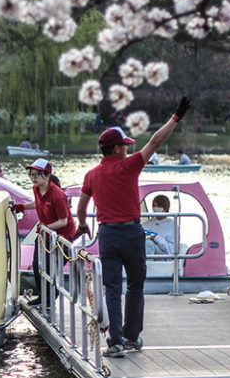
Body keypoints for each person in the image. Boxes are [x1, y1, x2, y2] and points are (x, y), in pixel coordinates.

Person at [76, 96, 192, 358]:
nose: (128, 149)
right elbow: (155, 141)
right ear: (117, 149)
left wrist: (83, 226)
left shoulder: (91, 175)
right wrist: (176, 117)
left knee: (112, 289)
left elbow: (82, 208)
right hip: (131, 233)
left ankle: (114, 343)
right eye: (125, 146)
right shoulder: (130, 166)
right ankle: (131, 337)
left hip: (107, 234)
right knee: (135, 286)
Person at [13, 158, 76, 305]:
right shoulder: (36, 189)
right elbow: (38, 203)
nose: (33, 177)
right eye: (31, 174)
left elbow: (63, 221)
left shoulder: (58, 195)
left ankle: (50, 299)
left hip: (62, 237)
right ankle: (43, 296)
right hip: (44, 233)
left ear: (47, 176)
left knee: (52, 268)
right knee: (37, 266)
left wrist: (45, 228)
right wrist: (21, 207)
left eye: (37, 174)